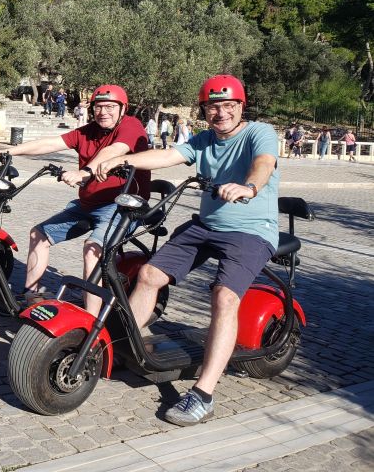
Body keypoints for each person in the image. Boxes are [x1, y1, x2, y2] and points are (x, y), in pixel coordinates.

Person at [97, 74, 279, 427]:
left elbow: (264, 163)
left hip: (252, 230)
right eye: (214, 106)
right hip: (207, 227)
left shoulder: (259, 132)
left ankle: (203, 394)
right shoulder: (204, 139)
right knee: (149, 274)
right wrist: (126, 161)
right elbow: (168, 154)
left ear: (241, 107)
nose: (221, 113)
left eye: (229, 106)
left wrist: (249, 187)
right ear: (204, 110)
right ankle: (123, 347)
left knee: (225, 297)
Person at [0, 84, 149, 315]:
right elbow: (51, 143)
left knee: (92, 249)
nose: (103, 111)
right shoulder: (88, 131)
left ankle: (90, 322)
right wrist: (11, 152)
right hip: (87, 205)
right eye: (99, 106)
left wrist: (86, 171)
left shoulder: (131, 126)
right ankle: (31, 295)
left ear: (123, 109)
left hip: (121, 208)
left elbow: (116, 150)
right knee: (38, 234)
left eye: (110, 106)